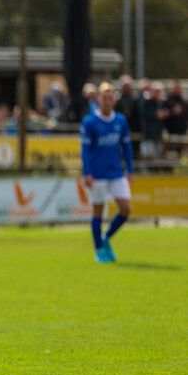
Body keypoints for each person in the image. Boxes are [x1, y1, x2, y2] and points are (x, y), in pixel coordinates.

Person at [80, 82, 133, 263]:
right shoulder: (90, 122)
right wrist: (87, 172)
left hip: (116, 172)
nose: (107, 99)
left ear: (115, 100)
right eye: (103, 96)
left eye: (110, 96)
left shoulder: (121, 120)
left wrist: (130, 170)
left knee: (126, 209)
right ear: (98, 99)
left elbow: (126, 146)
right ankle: (99, 250)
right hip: (97, 174)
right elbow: (85, 150)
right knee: (98, 212)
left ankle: (106, 237)